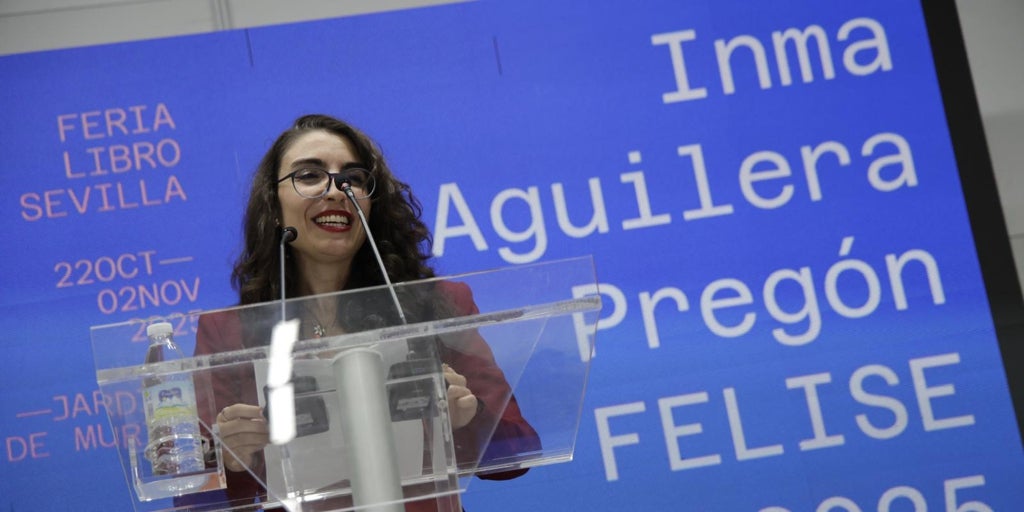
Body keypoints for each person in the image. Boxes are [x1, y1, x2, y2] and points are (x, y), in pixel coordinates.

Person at [187, 114, 539, 511]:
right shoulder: (227, 332)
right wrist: (234, 460)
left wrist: (469, 416)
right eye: (309, 176)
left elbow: (518, 449)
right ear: (273, 203)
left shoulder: (436, 305)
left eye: (353, 178)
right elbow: (193, 496)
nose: (337, 190)